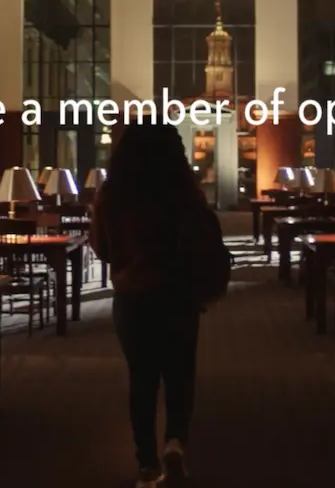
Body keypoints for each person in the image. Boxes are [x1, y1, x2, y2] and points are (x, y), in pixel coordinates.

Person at [90, 124, 231, 488]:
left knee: (142, 380)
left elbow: (102, 248)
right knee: (180, 374)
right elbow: (205, 241)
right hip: (179, 296)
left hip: (133, 299)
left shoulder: (113, 196)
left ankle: (147, 466)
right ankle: (175, 442)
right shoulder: (184, 193)